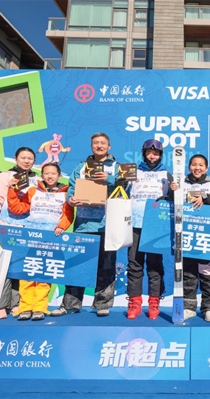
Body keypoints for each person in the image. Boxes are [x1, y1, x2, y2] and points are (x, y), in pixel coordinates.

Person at [51, 132, 120, 317]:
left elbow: (126, 188)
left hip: (107, 224)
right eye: (96, 143)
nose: (99, 146)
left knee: (106, 265)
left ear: (109, 147)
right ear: (91, 146)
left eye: (103, 143)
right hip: (83, 224)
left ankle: (102, 303)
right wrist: (71, 199)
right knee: (78, 265)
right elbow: (72, 188)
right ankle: (71, 304)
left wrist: (109, 179)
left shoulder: (116, 167)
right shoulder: (80, 167)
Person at [7, 163, 74, 321]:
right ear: (42, 175)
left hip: (51, 239)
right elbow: (17, 208)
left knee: (44, 274)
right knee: (27, 273)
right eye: (46, 173)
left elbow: (68, 214)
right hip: (31, 238)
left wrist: (61, 226)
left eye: (53, 173)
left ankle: (39, 307)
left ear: (59, 176)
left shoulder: (65, 193)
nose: (50, 176)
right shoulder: (32, 190)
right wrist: (12, 190)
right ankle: (25, 307)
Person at [0, 147, 38, 320]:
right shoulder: (4, 176)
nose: (27, 161)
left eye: (30, 158)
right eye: (23, 157)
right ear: (16, 158)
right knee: (2, 267)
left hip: (27, 229)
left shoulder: (37, 179)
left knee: (20, 267)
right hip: (5, 226)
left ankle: (16, 303)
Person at [126, 139, 178, 320]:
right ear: (144, 153)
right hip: (134, 224)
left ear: (160, 155)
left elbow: (173, 200)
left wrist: (174, 191)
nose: (152, 156)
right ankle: (134, 302)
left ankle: (154, 302)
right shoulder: (133, 172)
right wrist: (121, 181)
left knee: (155, 265)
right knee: (134, 263)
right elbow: (121, 192)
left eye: (156, 154)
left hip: (155, 226)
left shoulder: (166, 174)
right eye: (149, 153)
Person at [182, 154, 210, 322]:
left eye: (201, 165)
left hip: (207, 236)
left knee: (208, 273)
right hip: (186, 235)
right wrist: (172, 191)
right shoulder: (181, 184)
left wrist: (205, 198)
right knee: (188, 273)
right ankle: (189, 307)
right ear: (189, 167)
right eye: (194, 164)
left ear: (206, 168)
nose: (197, 168)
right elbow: (170, 202)